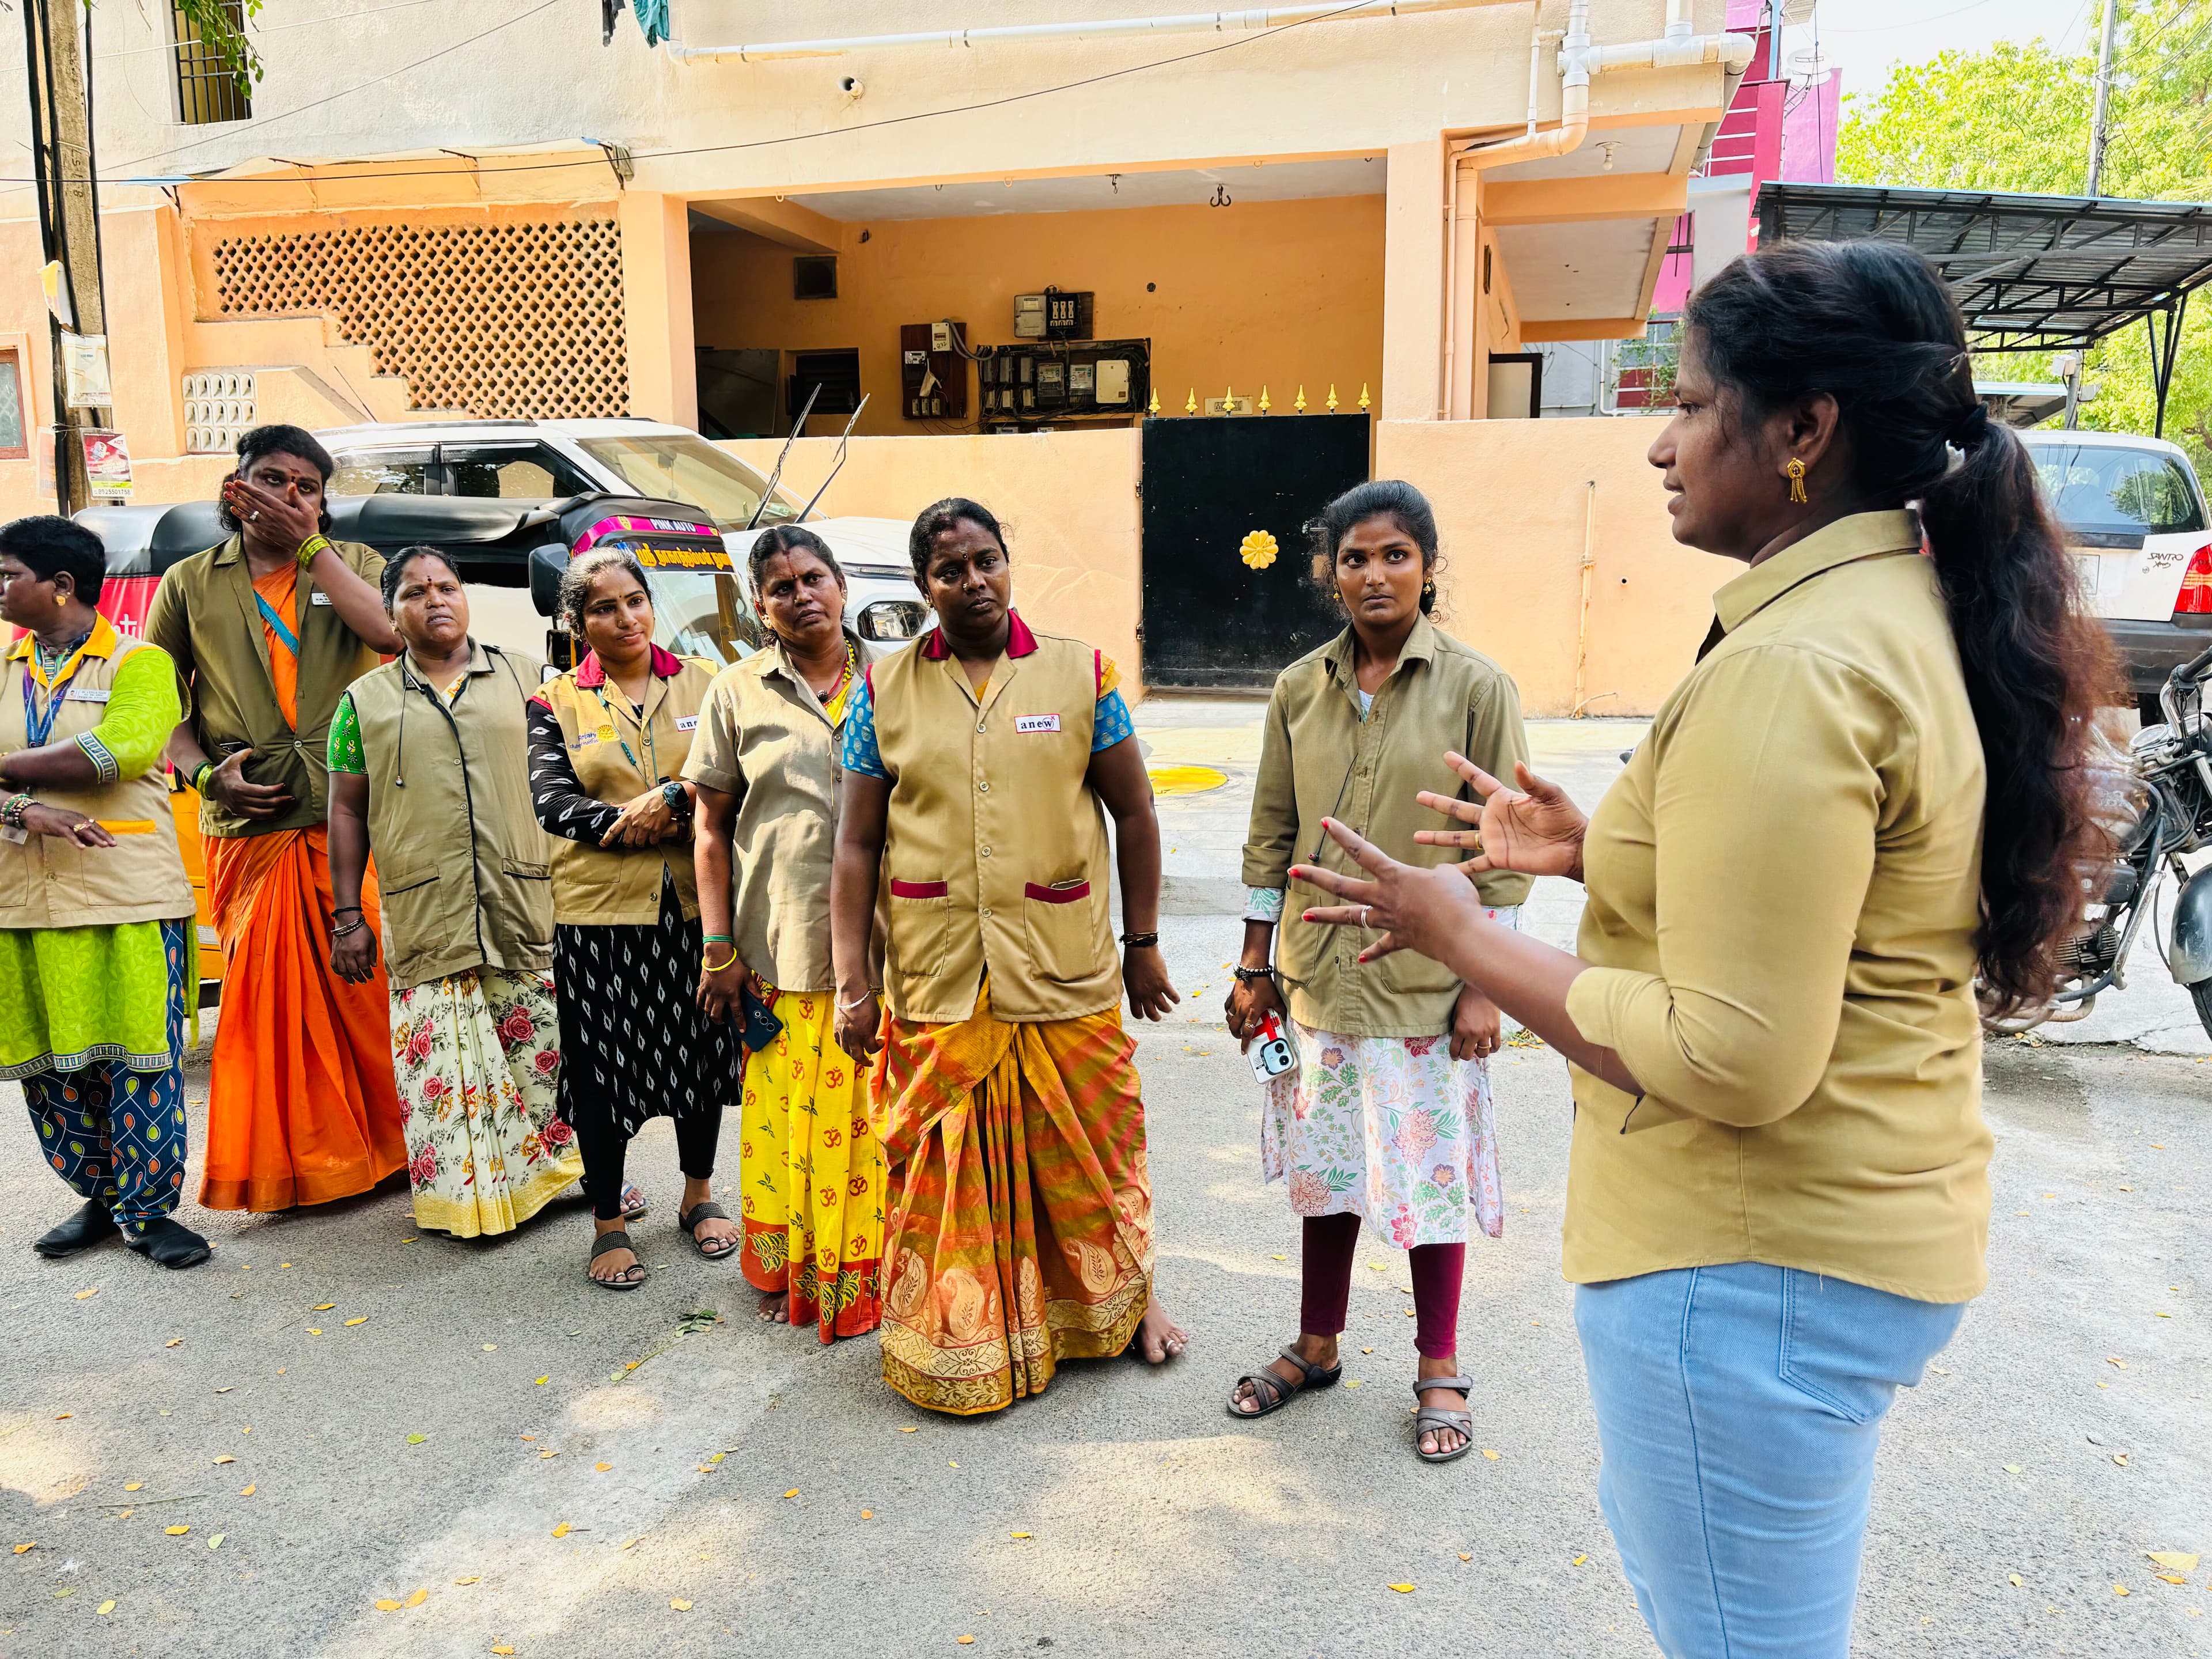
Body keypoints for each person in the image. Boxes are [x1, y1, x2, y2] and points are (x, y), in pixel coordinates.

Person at [1290, 241, 2111, 1656]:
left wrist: (1460, 935)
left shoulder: (1792, 666)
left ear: (1803, 431)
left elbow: (1731, 1052)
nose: (1661, 447)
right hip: (1832, 1239)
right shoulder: (1887, 610)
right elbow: (1849, 900)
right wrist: (1601, 848)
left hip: (1750, 1266)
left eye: (1689, 405)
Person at [830, 497, 1187, 1416]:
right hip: (936, 966)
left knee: (1097, 1149)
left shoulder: (1082, 673)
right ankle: (966, 1329)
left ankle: (1127, 1301)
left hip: (1059, 958)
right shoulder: (882, 689)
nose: (974, 581)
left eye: (986, 560)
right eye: (951, 570)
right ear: (923, 586)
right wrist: (852, 982)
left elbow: (1137, 814)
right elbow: (856, 846)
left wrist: (1142, 945)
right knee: (946, 1161)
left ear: (1007, 562)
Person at [1223, 480, 1531, 1463]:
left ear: (1429, 568)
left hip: (1430, 994)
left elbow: (1506, 849)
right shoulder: (1297, 689)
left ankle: (1439, 1365)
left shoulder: (1477, 689)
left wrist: (1486, 982)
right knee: (1331, 1179)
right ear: (1330, 575)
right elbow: (1271, 834)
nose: (1374, 574)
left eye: (1396, 554)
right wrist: (1252, 964)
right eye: (1354, 557)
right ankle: (1317, 1344)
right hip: (1318, 984)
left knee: (1429, 1183)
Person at [145, 423, 406, 1214]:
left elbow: (392, 634)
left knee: (366, 989)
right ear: (237, 487)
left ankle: (396, 1149)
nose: (290, 496)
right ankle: (301, 1167)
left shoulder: (351, 566)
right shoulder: (189, 583)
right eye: (273, 479)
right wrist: (202, 774)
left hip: (351, 812)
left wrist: (311, 546)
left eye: (308, 486)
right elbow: (163, 705)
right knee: (267, 1009)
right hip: (249, 826)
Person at [326, 547, 584, 1238]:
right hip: (425, 908)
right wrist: (345, 914)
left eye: (447, 586)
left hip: (524, 897)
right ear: (390, 613)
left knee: (546, 1054)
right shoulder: (362, 704)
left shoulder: (532, 679)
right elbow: (347, 811)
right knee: (449, 1066)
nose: (435, 600)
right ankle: (474, 1200)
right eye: (415, 592)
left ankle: (575, 1179)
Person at [686, 525, 887, 1342]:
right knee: (792, 1128)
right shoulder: (737, 692)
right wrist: (718, 947)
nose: (802, 595)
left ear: (842, 586)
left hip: (896, 949)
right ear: (761, 608)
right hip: (781, 951)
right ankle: (799, 1269)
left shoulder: (900, 678)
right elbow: (709, 827)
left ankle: (880, 1269)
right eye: (781, 587)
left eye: (815, 577)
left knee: (878, 1127)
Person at [0, 517, 207, 1268]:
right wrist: (24, 806)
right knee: (53, 1068)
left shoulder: (139, 664)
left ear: (60, 585)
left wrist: (7, 767)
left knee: (141, 1062)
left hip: (130, 899)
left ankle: (150, 1213)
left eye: (8, 574)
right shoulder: (2, 667)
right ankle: (99, 1197)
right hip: (23, 903)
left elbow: (118, 751)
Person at [527, 548, 734, 1289]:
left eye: (636, 600)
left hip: (696, 905)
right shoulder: (552, 701)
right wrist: (641, 816)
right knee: (601, 1073)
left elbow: (729, 779)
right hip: (598, 919)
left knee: (701, 1053)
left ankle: (699, 1196)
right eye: (605, 607)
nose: (627, 618)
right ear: (579, 623)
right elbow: (552, 803)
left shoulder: (711, 686)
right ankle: (608, 1223)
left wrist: (675, 800)